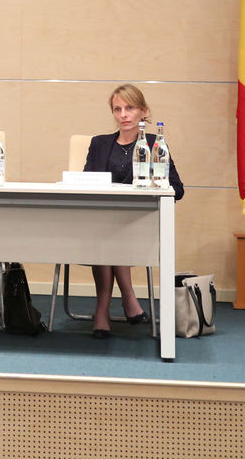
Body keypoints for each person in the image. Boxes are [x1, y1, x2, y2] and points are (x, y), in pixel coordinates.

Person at [83, 83, 184, 339]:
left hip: (140, 223)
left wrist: (153, 185)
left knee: (109, 234)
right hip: (103, 223)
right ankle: (127, 299)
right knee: (106, 231)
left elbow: (177, 188)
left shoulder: (155, 144)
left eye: (129, 108)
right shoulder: (99, 144)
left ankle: (104, 310)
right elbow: (85, 183)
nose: (123, 115)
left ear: (143, 111)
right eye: (117, 109)